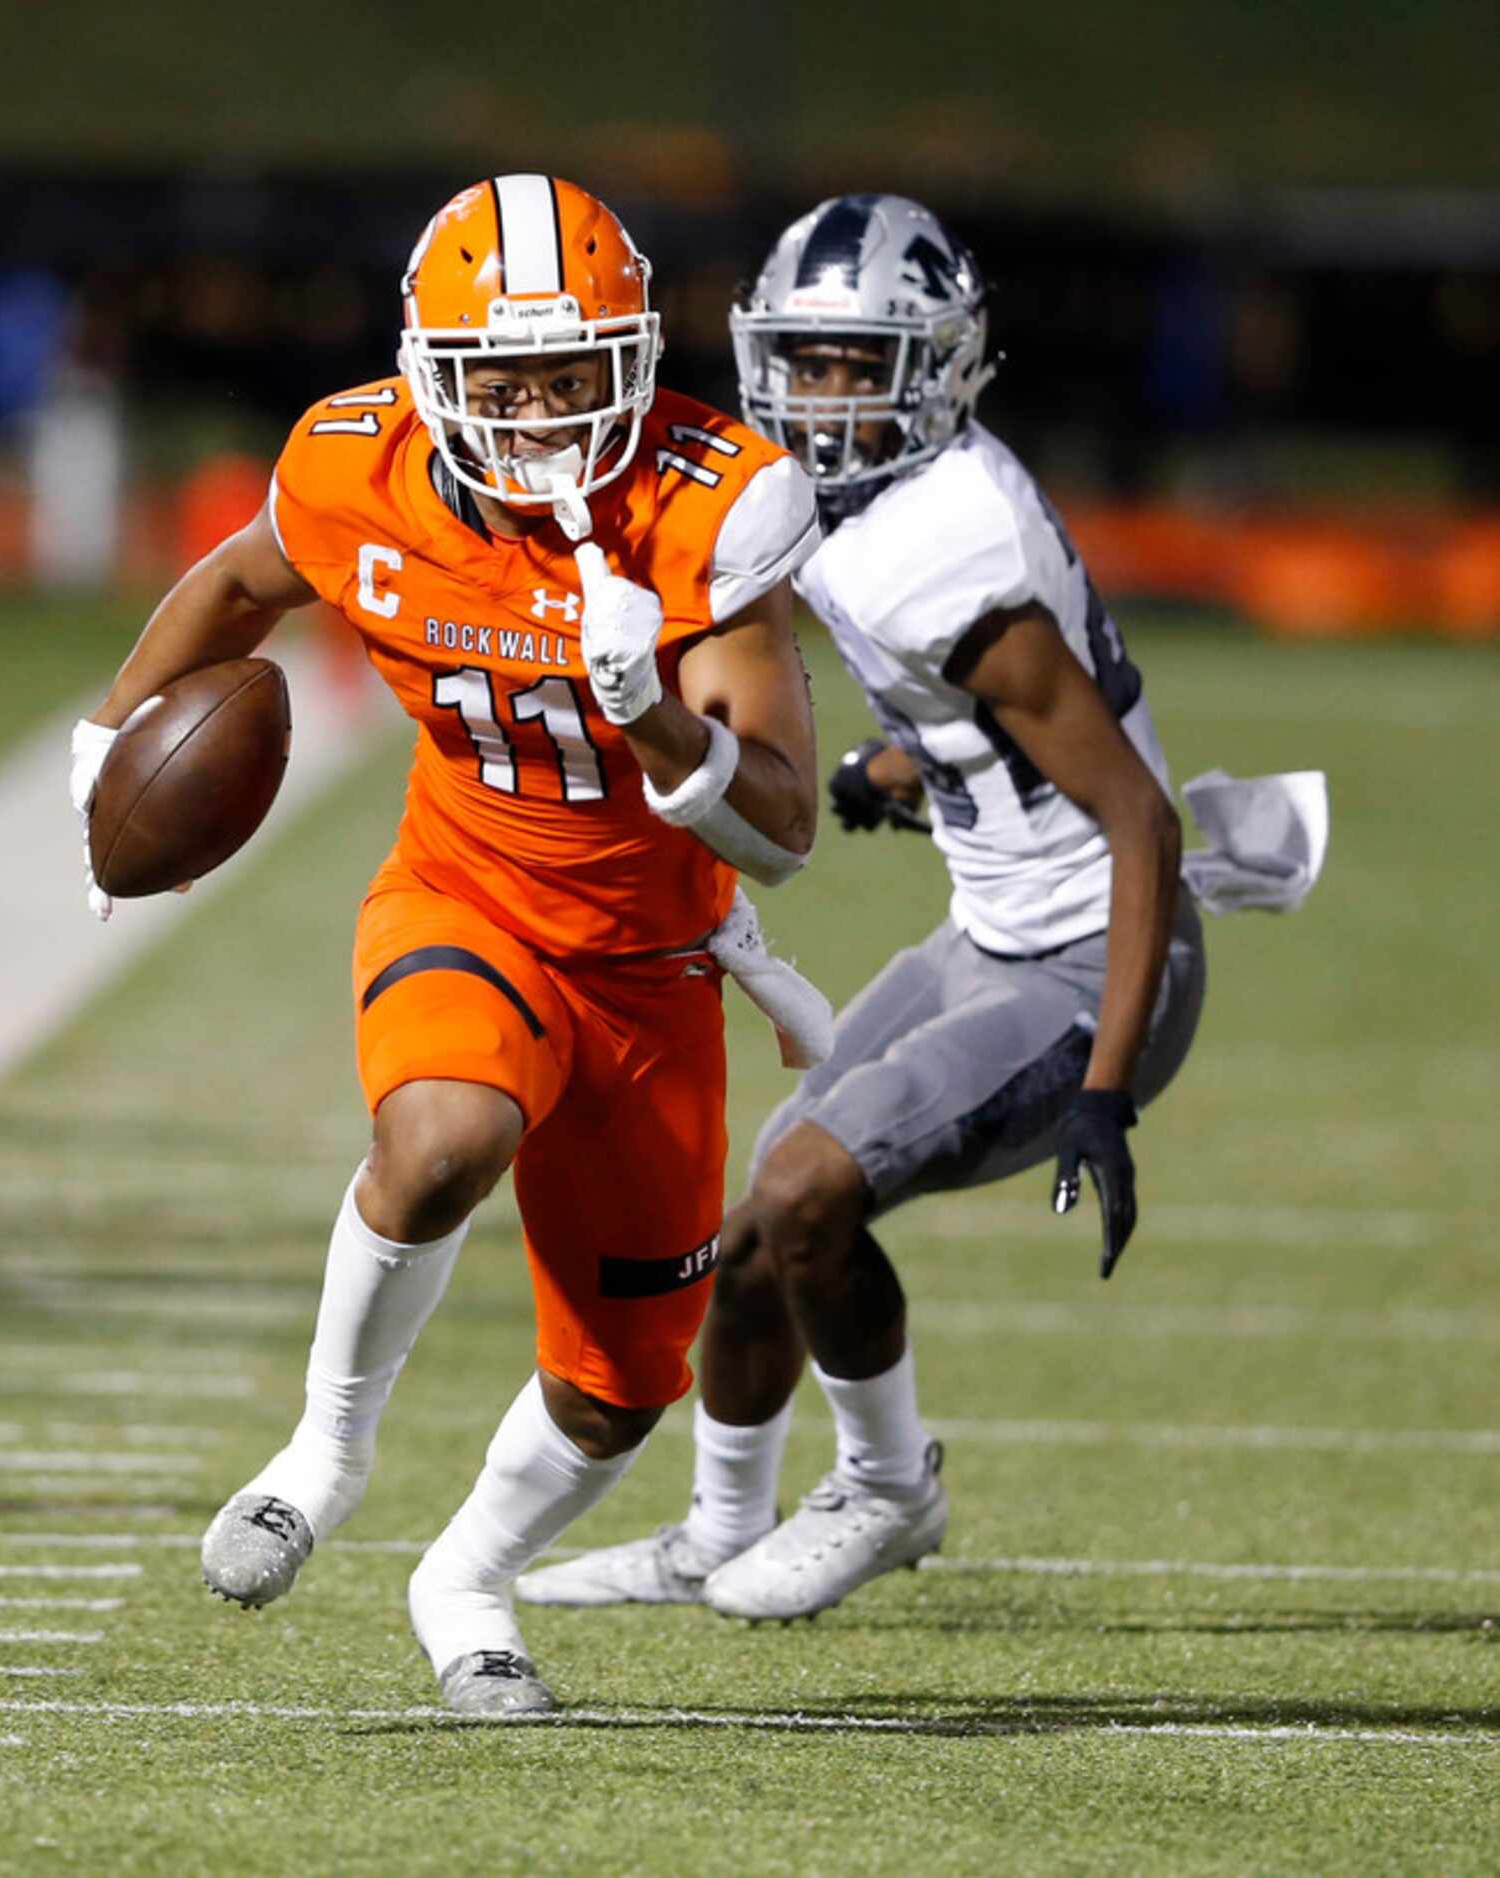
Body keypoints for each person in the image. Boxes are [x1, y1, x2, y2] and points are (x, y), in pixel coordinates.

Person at [71, 176, 832, 1714]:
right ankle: (325, 1451)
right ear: (433, 376)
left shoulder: (710, 497)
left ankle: (464, 1573)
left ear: (634, 359)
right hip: (466, 898)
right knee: (440, 1136)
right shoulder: (359, 464)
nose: (545, 411)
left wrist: (659, 717)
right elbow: (236, 581)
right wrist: (104, 742)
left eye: (575, 373)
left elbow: (785, 822)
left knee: (623, 1385)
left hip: (656, 965)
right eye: (508, 378)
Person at [517, 194, 1213, 1622]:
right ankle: (718, 1521)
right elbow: (1005, 717)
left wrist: (1105, 1088)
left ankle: (892, 1487)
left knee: (806, 1190)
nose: (826, 397)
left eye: (859, 363)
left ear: (943, 363)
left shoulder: (939, 536)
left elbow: (1142, 818)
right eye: (808, 358)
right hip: (992, 929)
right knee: (757, 1224)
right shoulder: (865, 504)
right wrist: (907, 761)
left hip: (1087, 956)